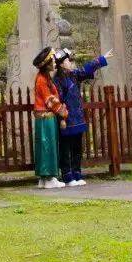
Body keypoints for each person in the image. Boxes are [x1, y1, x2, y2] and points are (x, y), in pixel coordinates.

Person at [53, 48, 111, 186]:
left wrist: (101, 59)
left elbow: (86, 70)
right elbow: (58, 100)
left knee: (77, 147)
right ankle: (67, 176)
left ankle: (77, 174)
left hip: (77, 117)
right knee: (65, 147)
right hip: (66, 118)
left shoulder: (74, 75)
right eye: (67, 60)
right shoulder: (57, 80)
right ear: (61, 64)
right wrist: (61, 119)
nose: (70, 63)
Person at [32, 47, 67, 189]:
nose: (54, 63)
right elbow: (50, 100)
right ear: (47, 64)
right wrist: (63, 112)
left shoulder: (44, 77)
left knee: (44, 145)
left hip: (44, 117)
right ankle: (49, 177)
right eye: (52, 61)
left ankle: (44, 178)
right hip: (46, 117)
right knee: (48, 146)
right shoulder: (42, 79)